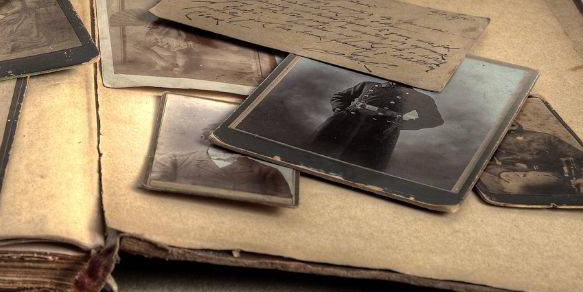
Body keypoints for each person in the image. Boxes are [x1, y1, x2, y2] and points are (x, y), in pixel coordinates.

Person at [308, 79, 443, 170]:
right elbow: (339, 96)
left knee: (358, 167)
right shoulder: (368, 84)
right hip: (345, 123)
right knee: (317, 155)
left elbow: (434, 119)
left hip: (380, 132)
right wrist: (340, 111)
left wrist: (399, 124)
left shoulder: (421, 98)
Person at [151, 122, 292, 199]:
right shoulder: (173, 162)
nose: (225, 147)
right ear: (206, 139)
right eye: (220, 140)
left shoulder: (267, 174)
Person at [484, 121, 583, 195]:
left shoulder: (543, 138)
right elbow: (483, 163)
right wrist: (502, 172)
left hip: (547, 176)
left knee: (518, 188)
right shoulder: (487, 141)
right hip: (511, 176)